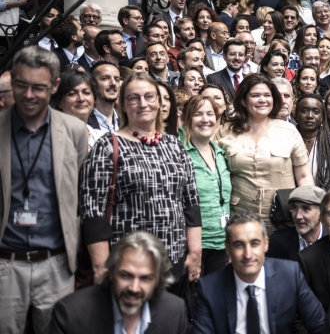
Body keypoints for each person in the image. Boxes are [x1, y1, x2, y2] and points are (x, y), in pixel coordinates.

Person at [79, 73, 202, 296]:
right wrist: (100, 266)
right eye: (134, 98)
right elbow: (93, 212)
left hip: (174, 262)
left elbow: (191, 202)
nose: (143, 103)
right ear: (123, 105)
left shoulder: (174, 145)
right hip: (129, 267)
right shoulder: (107, 147)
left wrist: (194, 252)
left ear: (159, 101)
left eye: (149, 96)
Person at [0, 46, 88, 334]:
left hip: (57, 264)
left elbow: (82, 194)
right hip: (5, 265)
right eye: (22, 85)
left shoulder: (74, 130)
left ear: (55, 86)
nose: (28, 95)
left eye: (38, 87)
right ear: (11, 81)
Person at [193, 212, 326, 334]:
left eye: (255, 243)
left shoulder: (290, 275)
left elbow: (320, 326)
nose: (248, 254)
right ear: (227, 248)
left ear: (266, 244)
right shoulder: (209, 288)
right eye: (239, 245)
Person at [214, 74, 314, 234]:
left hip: (282, 219)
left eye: (267, 95)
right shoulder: (225, 131)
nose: (262, 100)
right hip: (240, 218)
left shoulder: (288, 131)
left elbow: (303, 176)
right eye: (255, 95)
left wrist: (310, 209)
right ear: (243, 101)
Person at [49, 231, 188, 334]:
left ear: (157, 280)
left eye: (145, 278)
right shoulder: (71, 314)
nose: (134, 288)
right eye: (126, 276)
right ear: (111, 273)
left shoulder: (174, 313)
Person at [180, 96, 231, 275]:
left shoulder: (221, 153)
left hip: (221, 244)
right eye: (198, 114)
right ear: (187, 118)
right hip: (192, 245)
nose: (205, 119)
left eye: (210, 114)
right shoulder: (179, 152)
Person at [267, 186, 327, 261]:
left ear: (321, 213)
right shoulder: (280, 242)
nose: (298, 216)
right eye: (294, 208)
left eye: (305, 209)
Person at [296, 94, 330, 190]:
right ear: (296, 114)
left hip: (325, 200)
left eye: (316, 112)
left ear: (322, 117)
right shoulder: (290, 140)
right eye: (304, 111)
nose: (309, 116)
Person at [52, 70, 102, 150]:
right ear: (59, 102)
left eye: (86, 93)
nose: (81, 99)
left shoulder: (101, 137)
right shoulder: (50, 137)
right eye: (72, 93)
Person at [88, 61, 122, 134]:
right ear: (93, 84)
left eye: (117, 79)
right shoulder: (83, 122)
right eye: (105, 78)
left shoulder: (127, 122)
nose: (113, 83)